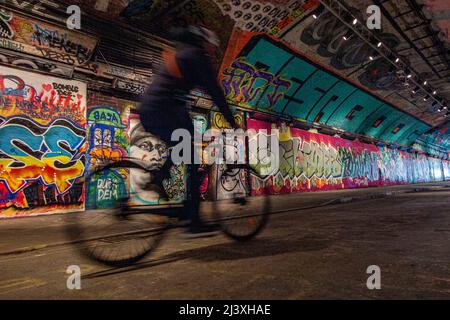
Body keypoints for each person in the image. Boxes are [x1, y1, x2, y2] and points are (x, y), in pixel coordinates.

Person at [138, 25, 237, 237]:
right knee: (191, 160)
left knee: (185, 148)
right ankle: (194, 222)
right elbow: (215, 93)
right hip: (161, 109)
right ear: (204, 42)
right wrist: (233, 122)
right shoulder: (197, 56)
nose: (213, 51)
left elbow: (178, 98)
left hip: (154, 109)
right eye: (213, 47)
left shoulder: (182, 53)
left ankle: (162, 182)